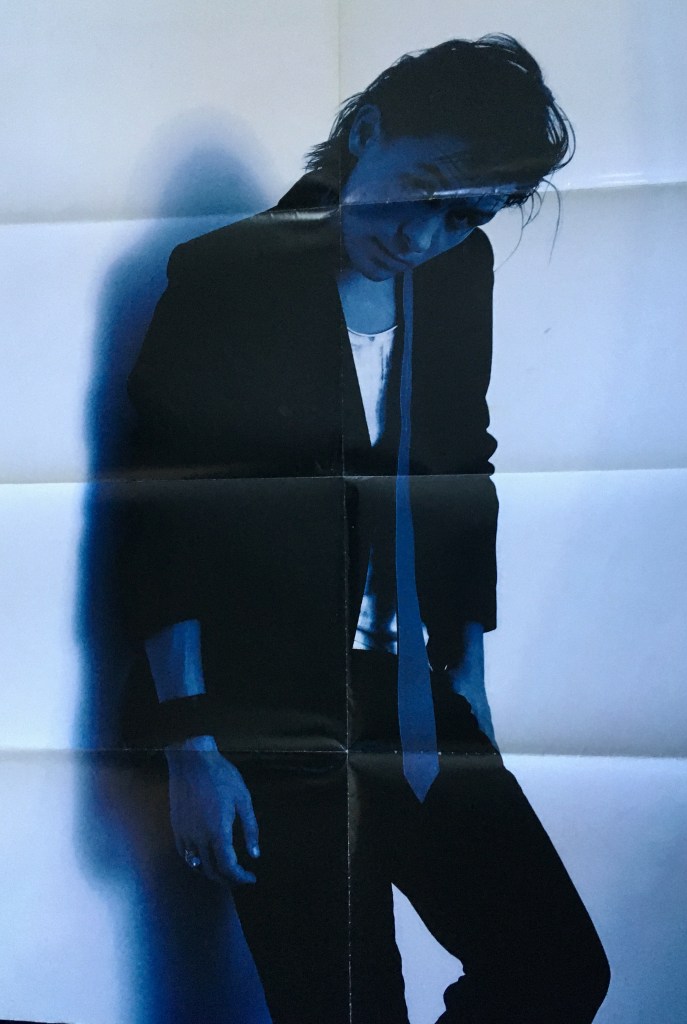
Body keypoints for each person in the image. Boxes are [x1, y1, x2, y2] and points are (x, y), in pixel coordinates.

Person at [121, 33, 610, 1023]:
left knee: (556, 966)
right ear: (368, 131)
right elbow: (167, 515)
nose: (424, 235)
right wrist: (192, 747)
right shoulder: (226, 276)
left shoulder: (459, 273)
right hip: (264, 709)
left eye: (464, 213)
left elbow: (461, 464)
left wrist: (467, 671)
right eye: (421, 188)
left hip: (411, 698)